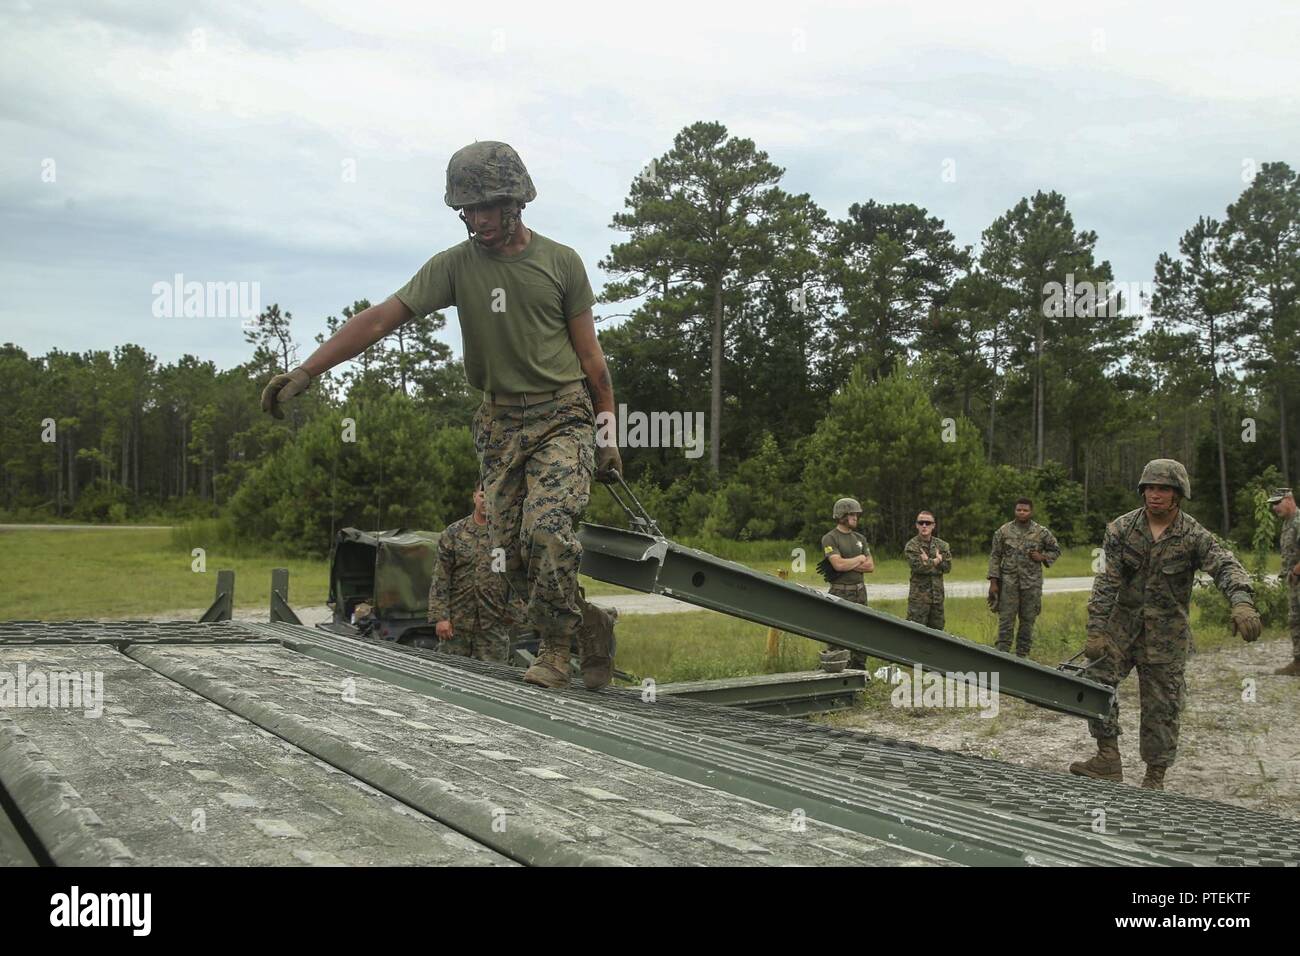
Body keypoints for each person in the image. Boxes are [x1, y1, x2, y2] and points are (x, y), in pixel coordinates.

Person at [261, 140, 618, 690]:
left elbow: (593, 360)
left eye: (485, 208)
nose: (476, 220)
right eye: (466, 210)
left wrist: (607, 434)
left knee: (546, 532)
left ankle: (556, 650)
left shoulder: (560, 263)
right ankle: (589, 624)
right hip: (499, 426)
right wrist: (306, 372)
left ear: (515, 202)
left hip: (562, 416)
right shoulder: (455, 266)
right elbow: (380, 319)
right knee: (507, 557)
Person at [1069, 459, 1261, 791]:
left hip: (1167, 636)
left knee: (1163, 706)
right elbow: (1106, 583)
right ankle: (1107, 758)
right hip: (1122, 629)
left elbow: (1226, 566)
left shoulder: (1192, 535)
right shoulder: (1121, 529)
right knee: (1094, 683)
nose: (1155, 496)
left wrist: (1241, 602)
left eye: (1164, 489)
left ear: (1178, 495)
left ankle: (1154, 778)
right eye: (1150, 489)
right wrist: (1096, 630)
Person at [428, 483, 524, 662]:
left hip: (492, 627)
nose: (486, 501)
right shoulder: (453, 533)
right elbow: (440, 578)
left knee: (492, 681)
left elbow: (515, 578)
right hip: (457, 625)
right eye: (482, 495)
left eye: (493, 496)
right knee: (451, 677)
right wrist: (441, 618)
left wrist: (512, 615)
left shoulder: (506, 537)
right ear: (474, 497)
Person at [986, 498, 1060, 657]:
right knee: (1006, 622)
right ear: (1015, 510)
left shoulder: (1041, 532)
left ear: (1031, 512)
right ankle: (1002, 657)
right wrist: (993, 582)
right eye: (1019, 510)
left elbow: (1055, 550)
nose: (1021, 513)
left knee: (1027, 622)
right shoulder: (1003, 531)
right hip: (1008, 585)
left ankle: (1022, 659)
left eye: (1025, 510)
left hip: (1031, 585)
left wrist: (1042, 557)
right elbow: (995, 556)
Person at [820, 497, 873, 671]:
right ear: (842, 515)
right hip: (839, 592)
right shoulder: (830, 538)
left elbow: (870, 566)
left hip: (859, 592)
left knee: (862, 633)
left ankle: (859, 671)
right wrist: (858, 559)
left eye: (857, 514)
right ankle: (836, 671)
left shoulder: (860, 538)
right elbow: (838, 565)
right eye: (852, 514)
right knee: (837, 634)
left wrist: (848, 564)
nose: (856, 517)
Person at [1268, 487, 1300, 676]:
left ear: (1289, 500)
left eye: (1277, 503)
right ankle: (1298, 662)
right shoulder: (1288, 523)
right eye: (1273, 505)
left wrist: (1295, 572)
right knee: (1295, 621)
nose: (1274, 508)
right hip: (1295, 583)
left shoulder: (1298, 521)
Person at [904, 511, 951, 629]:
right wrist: (936, 561)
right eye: (921, 523)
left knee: (938, 633)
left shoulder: (942, 545)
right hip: (918, 600)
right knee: (915, 632)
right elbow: (918, 567)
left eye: (928, 523)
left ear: (933, 525)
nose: (924, 526)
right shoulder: (912, 546)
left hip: (937, 599)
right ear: (917, 525)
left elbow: (947, 567)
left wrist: (928, 562)